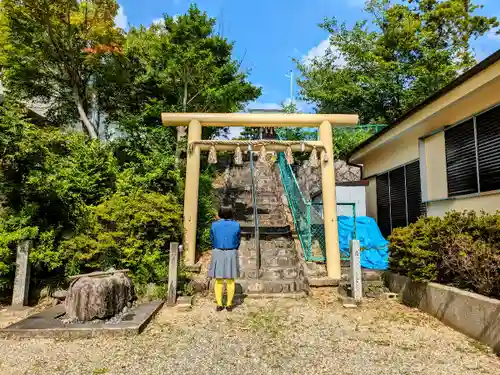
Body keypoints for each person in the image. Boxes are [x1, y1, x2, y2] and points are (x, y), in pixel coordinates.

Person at [208, 205, 241, 311]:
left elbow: (212, 239)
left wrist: (215, 247)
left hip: (218, 251)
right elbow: (238, 240)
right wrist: (234, 247)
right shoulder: (236, 225)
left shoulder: (214, 225)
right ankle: (229, 304)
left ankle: (219, 304)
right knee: (231, 280)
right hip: (231, 251)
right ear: (231, 213)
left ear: (220, 213)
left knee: (218, 280)